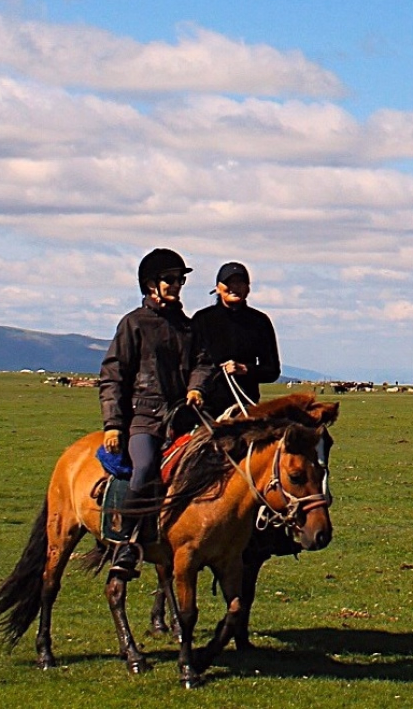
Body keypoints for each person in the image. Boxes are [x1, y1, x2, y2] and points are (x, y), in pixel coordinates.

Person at [98, 247, 195, 578]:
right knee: (145, 468)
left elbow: (204, 363)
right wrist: (113, 424)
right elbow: (113, 375)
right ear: (151, 285)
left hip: (184, 418)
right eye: (170, 279)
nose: (177, 285)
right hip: (145, 418)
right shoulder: (133, 324)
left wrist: (196, 387)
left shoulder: (187, 327)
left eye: (180, 280)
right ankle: (126, 542)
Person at [188, 262, 282, 418]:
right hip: (205, 408)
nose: (234, 287)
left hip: (244, 408)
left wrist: (245, 369)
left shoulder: (260, 322)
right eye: (229, 282)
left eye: (240, 282)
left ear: (248, 288)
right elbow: (189, 363)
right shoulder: (201, 320)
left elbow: (272, 371)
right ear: (218, 288)